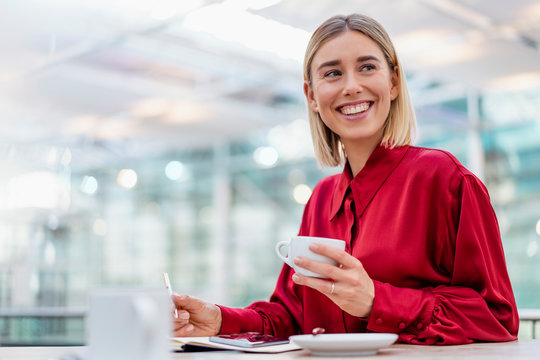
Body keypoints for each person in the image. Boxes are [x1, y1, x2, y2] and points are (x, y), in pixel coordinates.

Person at [172, 13, 519, 345]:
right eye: (333, 73)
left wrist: (376, 301)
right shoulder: (321, 200)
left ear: (394, 82)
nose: (352, 86)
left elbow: (496, 317)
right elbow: (291, 316)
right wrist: (219, 320)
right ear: (311, 96)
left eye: (367, 67)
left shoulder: (444, 180)